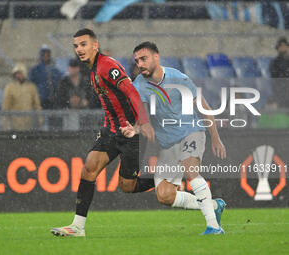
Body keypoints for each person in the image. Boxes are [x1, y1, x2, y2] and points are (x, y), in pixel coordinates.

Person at [50, 28, 155, 237]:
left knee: (127, 186)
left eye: (83, 44)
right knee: (88, 170)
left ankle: (165, 178)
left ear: (95, 45)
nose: (79, 49)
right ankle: (78, 227)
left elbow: (131, 92)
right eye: (76, 46)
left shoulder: (107, 65)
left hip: (129, 132)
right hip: (111, 131)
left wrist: (144, 123)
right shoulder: (92, 69)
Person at [121, 42, 227, 235]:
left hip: (191, 132)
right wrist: (134, 129)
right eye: (137, 61)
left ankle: (214, 226)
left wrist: (215, 138)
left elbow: (203, 106)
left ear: (156, 57)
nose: (140, 64)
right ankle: (213, 205)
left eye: (143, 59)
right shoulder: (138, 85)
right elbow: (141, 118)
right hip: (168, 145)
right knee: (165, 195)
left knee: (190, 171)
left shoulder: (178, 78)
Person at [2, 63, 42, 131]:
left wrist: (40, 119)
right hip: (14, 124)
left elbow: (37, 105)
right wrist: (5, 123)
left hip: (29, 123)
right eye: (17, 73)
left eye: (21, 73)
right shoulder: (9, 88)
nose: (19, 75)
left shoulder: (32, 87)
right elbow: (6, 106)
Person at [29, 44, 62, 109]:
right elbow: (30, 85)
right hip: (40, 101)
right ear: (41, 56)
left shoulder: (55, 70)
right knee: (42, 118)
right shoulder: (35, 70)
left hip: (54, 102)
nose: (46, 56)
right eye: (44, 55)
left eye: (47, 55)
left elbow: (59, 83)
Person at [269, 37, 289, 108]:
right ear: (278, 48)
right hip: (280, 92)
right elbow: (276, 76)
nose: (283, 48)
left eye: (285, 46)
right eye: (281, 46)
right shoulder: (274, 62)